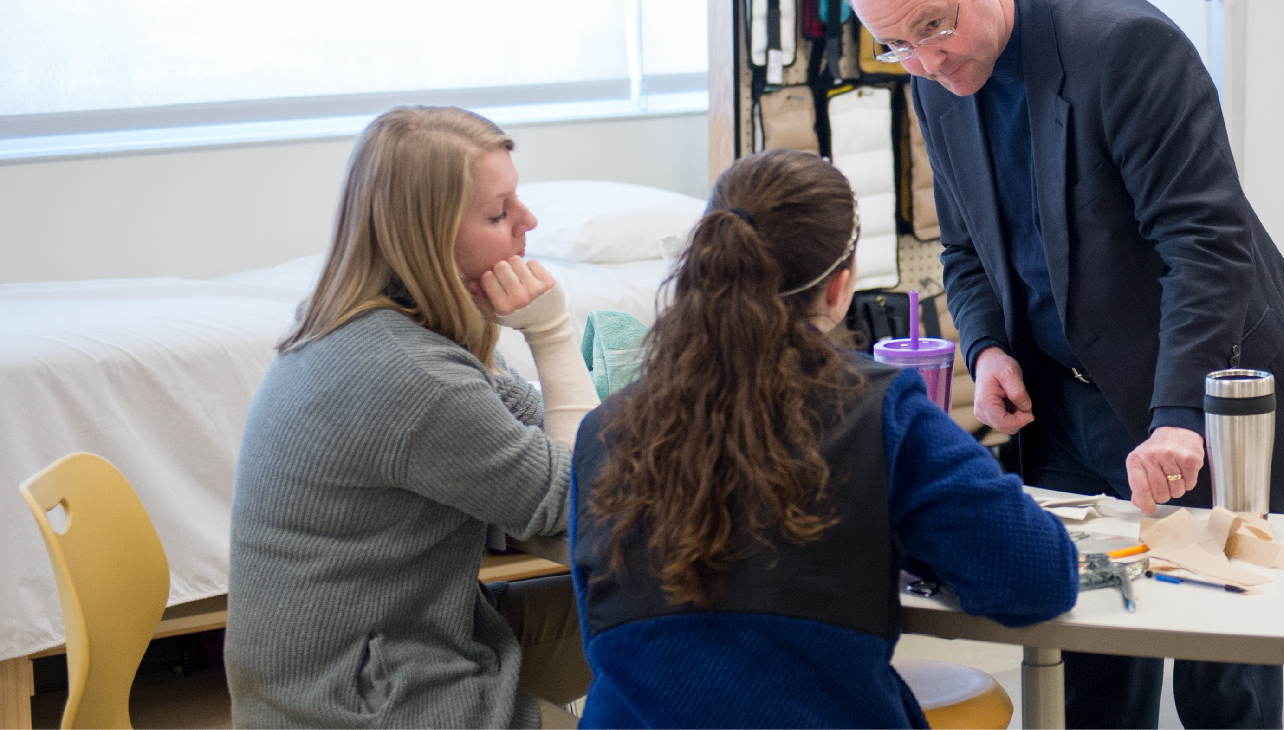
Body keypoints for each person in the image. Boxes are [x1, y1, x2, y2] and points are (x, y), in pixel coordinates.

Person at [843, 0, 1284, 730]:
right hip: (1062, 400)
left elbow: (1205, 244)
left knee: (1220, 671)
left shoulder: (1121, 45)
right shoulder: (933, 81)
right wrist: (990, 347)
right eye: (894, 45)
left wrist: (1181, 414)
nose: (923, 60)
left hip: (1194, 392)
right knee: (1095, 652)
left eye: (932, 27)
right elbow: (963, 248)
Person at [568, 148, 1078, 728]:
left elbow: (605, 627)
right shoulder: (875, 408)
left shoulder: (603, 431)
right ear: (839, 288)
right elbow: (1038, 579)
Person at [226, 106, 598, 728]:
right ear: (428, 238)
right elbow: (583, 497)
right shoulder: (411, 379)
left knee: (654, 614)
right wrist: (552, 332)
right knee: (663, 630)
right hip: (366, 701)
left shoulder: (367, 321)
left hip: (380, 653)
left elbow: (529, 428)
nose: (529, 223)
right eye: (499, 213)